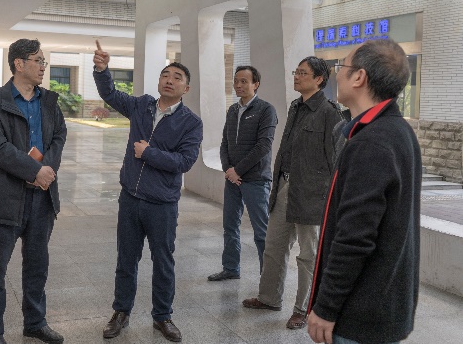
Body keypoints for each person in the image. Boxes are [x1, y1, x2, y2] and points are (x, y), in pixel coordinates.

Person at [307, 40, 421, 344]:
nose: (336, 74)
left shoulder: (372, 141)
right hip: (381, 305)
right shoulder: (396, 130)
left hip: (359, 313)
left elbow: (355, 237)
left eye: (341, 66)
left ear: (359, 77)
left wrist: (326, 307)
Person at [93, 41, 203, 343]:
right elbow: (110, 94)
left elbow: (185, 162)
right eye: (165, 75)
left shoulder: (191, 123)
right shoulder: (142, 105)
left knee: (163, 262)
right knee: (126, 259)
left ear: (186, 88)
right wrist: (102, 70)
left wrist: (149, 153)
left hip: (162, 204)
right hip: (130, 198)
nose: (169, 80)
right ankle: (121, 312)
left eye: (177, 77)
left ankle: (163, 316)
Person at [242, 56, 342, 330]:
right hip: (285, 187)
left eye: (303, 73)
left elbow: (337, 161)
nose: (296, 76)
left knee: (308, 255)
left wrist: (330, 200)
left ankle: (303, 309)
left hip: (312, 194)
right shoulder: (296, 106)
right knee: (274, 246)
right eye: (295, 72)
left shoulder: (330, 113)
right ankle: (269, 298)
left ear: (319, 79)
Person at [0, 39, 66, 344]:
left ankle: (35, 323)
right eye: (38, 60)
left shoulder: (49, 102)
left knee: (37, 266)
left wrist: (47, 170)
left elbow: (59, 136)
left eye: (44, 61)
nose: (43, 67)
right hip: (4, 197)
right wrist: (34, 171)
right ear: (19, 63)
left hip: (42, 198)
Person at [208, 66, 277, 281]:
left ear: (256, 84)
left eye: (244, 81)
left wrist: (237, 170)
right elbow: (225, 143)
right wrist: (228, 169)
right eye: (236, 81)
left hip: (256, 179)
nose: (238, 85)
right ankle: (231, 268)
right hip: (232, 180)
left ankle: (267, 278)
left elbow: (263, 146)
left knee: (261, 232)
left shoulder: (266, 110)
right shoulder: (232, 110)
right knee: (230, 227)